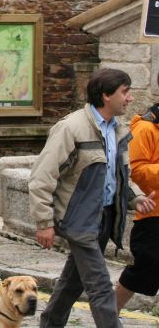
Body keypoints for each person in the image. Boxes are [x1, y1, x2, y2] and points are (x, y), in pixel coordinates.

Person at [29, 68, 154, 328]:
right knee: (100, 287)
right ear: (106, 95)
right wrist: (44, 223)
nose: (130, 98)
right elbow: (42, 177)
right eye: (125, 91)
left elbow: (118, 176)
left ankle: (49, 324)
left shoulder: (118, 130)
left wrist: (136, 198)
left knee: (71, 284)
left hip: (104, 219)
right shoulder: (70, 127)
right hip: (79, 222)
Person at [115, 74, 159, 311]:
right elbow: (138, 170)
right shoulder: (146, 126)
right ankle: (109, 315)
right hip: (154, 215)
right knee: (144, 271)